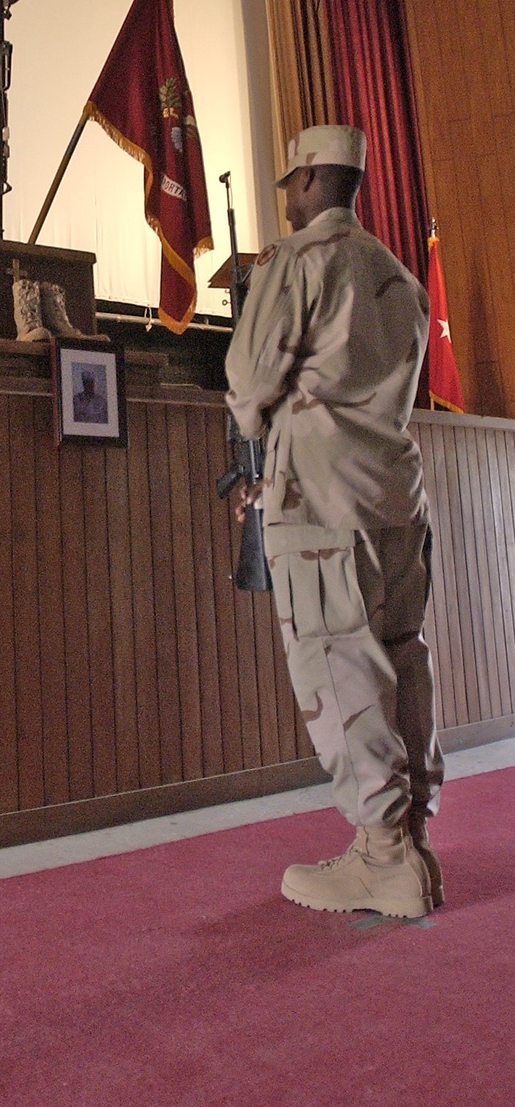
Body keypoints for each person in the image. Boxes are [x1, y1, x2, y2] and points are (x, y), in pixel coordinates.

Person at [225, 125, 444, 921]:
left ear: (315, 177)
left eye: (291, 183)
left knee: (340, 668)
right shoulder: (399, 278)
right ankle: (412, 838)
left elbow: (249, 388)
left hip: (320, 505)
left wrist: (259, 425)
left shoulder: (297, 264)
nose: (286, 197)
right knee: (400, 657)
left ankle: (382, 859)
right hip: (396, 500)